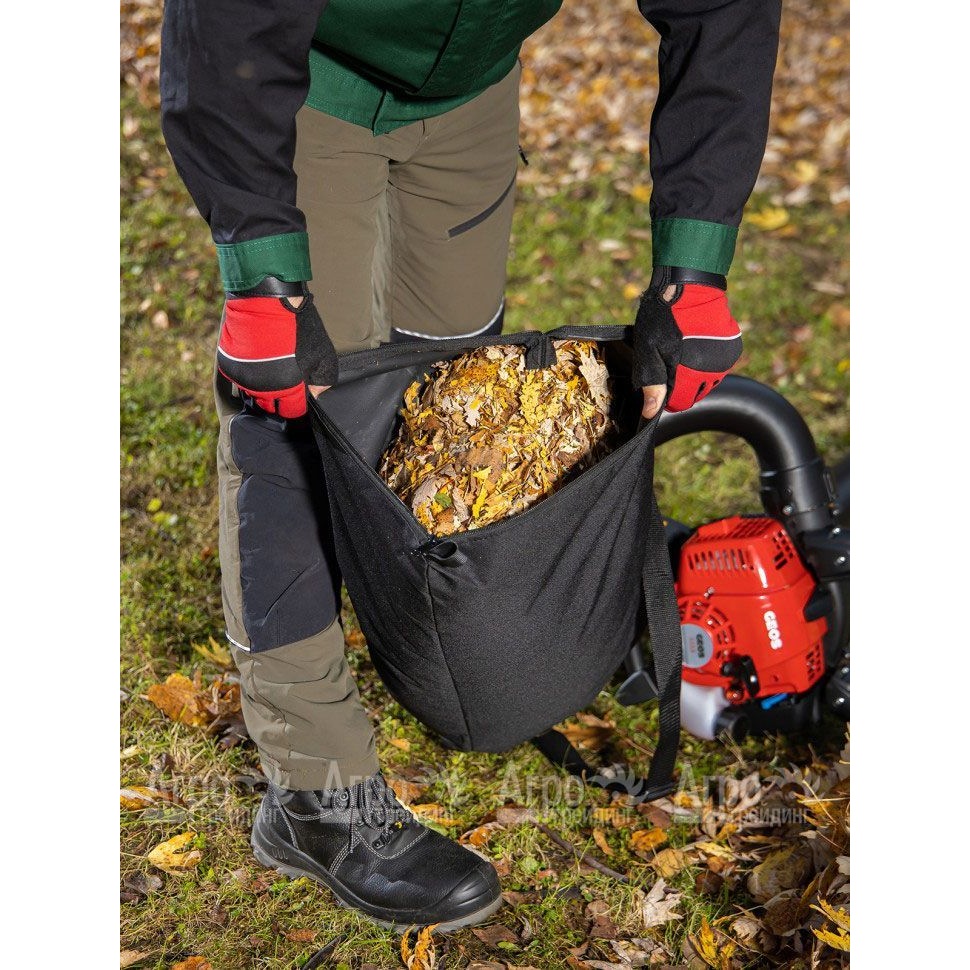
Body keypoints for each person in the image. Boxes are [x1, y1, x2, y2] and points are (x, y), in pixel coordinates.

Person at [159, 0, 781, 931]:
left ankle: (449, 663)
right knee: (294, 422)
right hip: (304, 79)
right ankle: (315, 794)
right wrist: (264, 272)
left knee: (453, 406)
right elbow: (226, 22)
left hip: (468, 92)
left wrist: (693, 264)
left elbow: (724, 9)